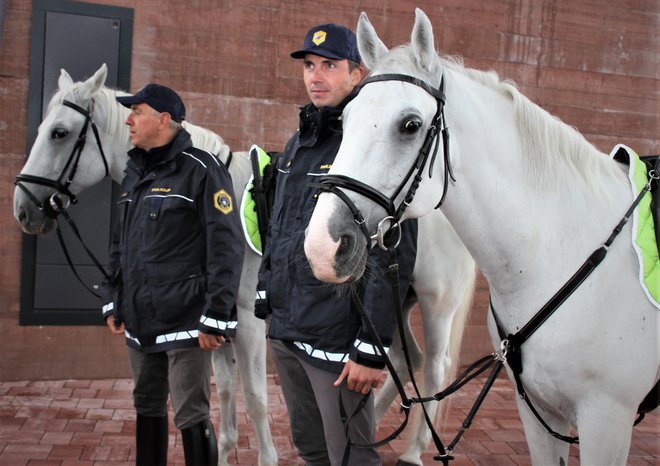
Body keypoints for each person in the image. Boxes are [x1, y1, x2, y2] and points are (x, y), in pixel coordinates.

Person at [255, 24, 418, 466]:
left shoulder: (369, 142)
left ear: (357, 75)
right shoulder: (298, 142)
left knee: (351, 456)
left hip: (336, 341)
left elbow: (394, 252)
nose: (316, 76)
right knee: (310, 450)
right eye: (310, 66)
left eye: (330, 65)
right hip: (287, 330)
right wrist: (266, 291)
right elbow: (283, 226)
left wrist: (371, 345)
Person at [100, 83, 244, 466]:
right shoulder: (135, 172)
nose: (128, 120)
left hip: (186, 321)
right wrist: (114, 297)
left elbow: (225, 246)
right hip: (139, 318)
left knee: (190, 412)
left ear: (164, 120)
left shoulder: (201, 169)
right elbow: (120, 242)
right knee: (146, 404)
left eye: (138, 112)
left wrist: (217, 316)